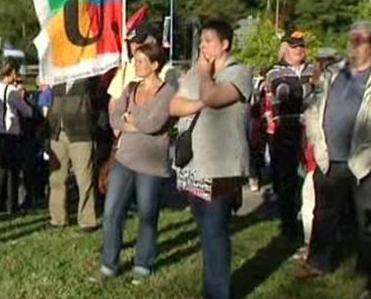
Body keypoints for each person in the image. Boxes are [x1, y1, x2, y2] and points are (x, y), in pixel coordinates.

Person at [169, 20, 252, 299]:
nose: (203, 46)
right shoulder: (195, 72)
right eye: (201, 41)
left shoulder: (238, 72)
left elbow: (214, 96)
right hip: (193, 165)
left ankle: (218, 293)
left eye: (208, 41)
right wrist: (197, 102)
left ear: (225, 44)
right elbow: (175, 105)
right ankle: (211, 287)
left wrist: (205, 76)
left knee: (216, 230)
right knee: (205, 230)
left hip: (222, 166)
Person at [293, 21, 371, 299]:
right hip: (330, 157)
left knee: (367, 220)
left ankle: (366, 274)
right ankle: (318, 262)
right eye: (352, 38)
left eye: (360, 39)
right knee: (323, 214)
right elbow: (314, 107)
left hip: (365, 162)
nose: (354, 44)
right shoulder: (334, 73)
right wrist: (315, 137)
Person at [96, 43, 175, 284]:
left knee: (147, 215)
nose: (136, 65)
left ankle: (143, 264)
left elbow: (155, 123)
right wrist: (131, 122)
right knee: (111, 213)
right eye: (135, 60)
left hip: (151, 164)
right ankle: (109, 263)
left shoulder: (167, 92)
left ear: (155, 65)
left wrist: (132, 119)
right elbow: (114, 118)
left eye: (141, 61)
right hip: (124, 159)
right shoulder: (130, 88)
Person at [264, 30, 315, 239]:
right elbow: (283, 93)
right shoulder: (275, 72)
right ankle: (289, 226)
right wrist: (311, 87)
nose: (299, 50)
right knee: (286, 179)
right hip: (286, 128)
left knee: (309, 177)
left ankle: (307, 218)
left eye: (301, 46)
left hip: (310, 128)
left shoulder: (312, 69)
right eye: (294, 47)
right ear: (286, 49)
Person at [47, 76, 98, 231]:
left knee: (84, 178)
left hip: (80, 133)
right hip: (57, 133)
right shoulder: (58, 81)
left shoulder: (88, 80)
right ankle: (57, 218)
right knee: (56, 179)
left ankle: (87, 220)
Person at [0, 58, 33, 214]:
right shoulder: (11, 92)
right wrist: (24, 97)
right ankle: (11, 205)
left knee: (0, 170)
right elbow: (27, 111)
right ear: (12, 72)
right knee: (12, 171)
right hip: (9, 133)